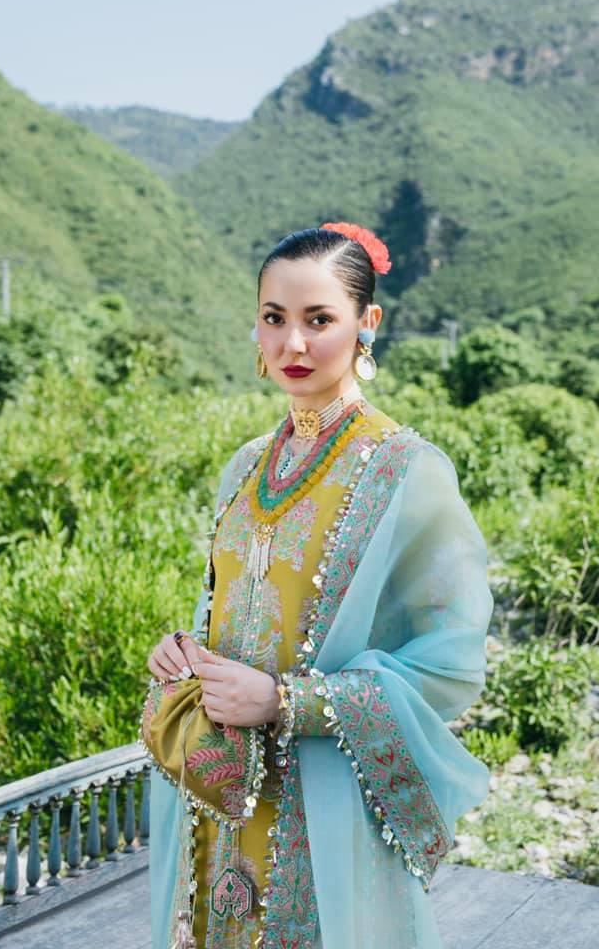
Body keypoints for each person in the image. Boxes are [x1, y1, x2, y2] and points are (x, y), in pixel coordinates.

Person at [143, 223, 494, 949]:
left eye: (319, 319)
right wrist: (184, 652)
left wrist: (286, 700)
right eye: (275, 318)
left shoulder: (407, 473)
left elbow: (450, 665)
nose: (293, 344)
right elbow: (225, 611)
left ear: (368, 323)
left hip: (324, 803)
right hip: (219, 794)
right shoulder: (245, 467)